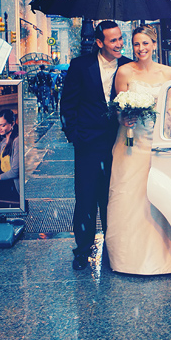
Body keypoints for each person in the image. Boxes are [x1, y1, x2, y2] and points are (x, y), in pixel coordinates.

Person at [105, 24, 171, 275]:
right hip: (131, 142)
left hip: (157, 142)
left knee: (158, 196)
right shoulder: (124, 72)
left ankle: (162, 256)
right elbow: (118, 109)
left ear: (154, 44)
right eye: (137, 44)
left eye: (145, 44)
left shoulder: (168, 73)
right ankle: (127, 258)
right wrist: (123, 119)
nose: (141, 49)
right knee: (129, 195)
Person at [60, 21, 131, 271]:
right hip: (88, 144)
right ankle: (82, 250)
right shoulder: (81, 66)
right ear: (99, 42)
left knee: (114, 199)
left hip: (119, 142)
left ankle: (114, 249)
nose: (119, 44)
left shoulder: (127, 65)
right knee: (87, 199)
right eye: (113, 40)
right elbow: (67, 104)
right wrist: (75, 136)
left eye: (120, 38)